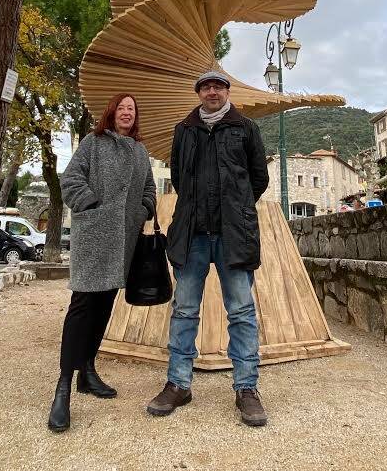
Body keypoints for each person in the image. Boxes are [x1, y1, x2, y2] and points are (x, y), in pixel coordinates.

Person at [145, 70, 270, 427]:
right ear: (199, 93)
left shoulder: (246, 128)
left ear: (228, 92)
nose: (212, 91)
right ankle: (178, 384)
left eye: (218, 86)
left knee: (241, 311)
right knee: (184, 310)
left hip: (234, 233)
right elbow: (179, 178)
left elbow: (258, 178)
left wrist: (237, 207)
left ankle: (246, 389)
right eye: (206, 87)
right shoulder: (184, 130)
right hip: (193, 233)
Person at [51, 93, 156, 433]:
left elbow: (149, 189)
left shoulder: (140, 151)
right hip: (94, 237)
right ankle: (63, 387)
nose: (127, 112)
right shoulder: (92, 143)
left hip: (124, 239)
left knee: (105, 306)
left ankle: (88, 372)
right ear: (112, 113)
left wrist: (143, 210)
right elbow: (70, 180)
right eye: (122, 107)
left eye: (132, 109)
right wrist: (92, 205)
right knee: (82, 306)